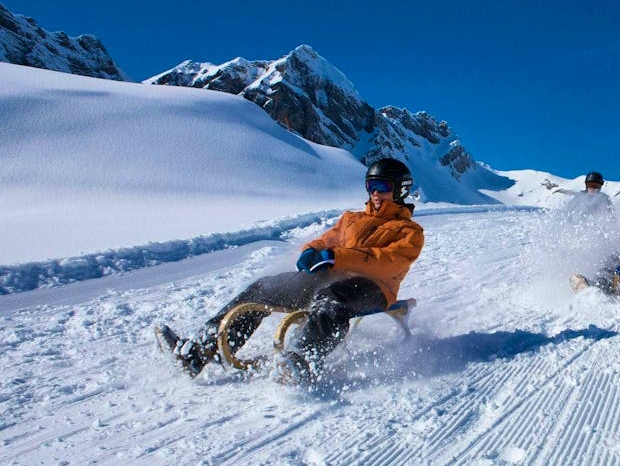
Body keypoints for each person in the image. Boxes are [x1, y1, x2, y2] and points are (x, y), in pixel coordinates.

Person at [155, 158, 424, 385]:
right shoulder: (351, 219)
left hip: (373, 289)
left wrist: (335, 257)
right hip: (331, 275)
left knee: (332, 298)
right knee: (264, 289)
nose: (375, 193)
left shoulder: (409, 231)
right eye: (371, 186)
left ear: (400, 190)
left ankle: (303, 361)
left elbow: (387, 261)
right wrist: (312, 250)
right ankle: (198, 352)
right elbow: (326, 240)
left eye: (383, 187)